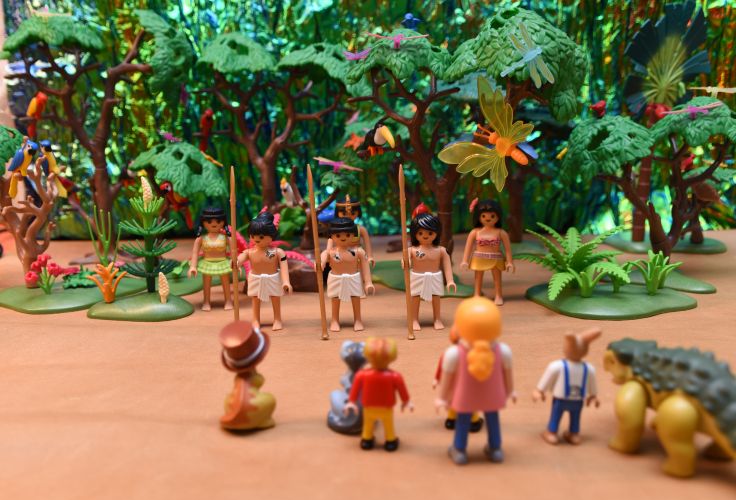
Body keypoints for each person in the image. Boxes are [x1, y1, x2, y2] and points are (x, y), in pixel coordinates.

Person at [435, 297, 516, 465]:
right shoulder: (504, 351)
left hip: (465, 396)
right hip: (492, 395)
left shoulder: (454, 354)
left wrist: (442, 398)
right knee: (492, 419)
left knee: (463, 420)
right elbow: (508, 374)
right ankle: (495, 448)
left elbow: (447, 378)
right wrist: (510, 392)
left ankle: (459, 450)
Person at [533, 328, 601, 445]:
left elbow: (592, 382)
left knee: (575, 417)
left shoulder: (588, 369)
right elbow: (548, 377)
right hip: (562, 399)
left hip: (577, 400)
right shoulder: (558, 366)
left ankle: (572, 433)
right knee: (556, 416)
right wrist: (539, 390)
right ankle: (552, 432)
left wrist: (593, 395)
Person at [344, 337, 412, 451]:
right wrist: (406, 401)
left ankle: (366, 440)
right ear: (392, 357)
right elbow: (402, 391)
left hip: (369, 407)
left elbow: (354, 390)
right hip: (386, 408)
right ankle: (390, 441)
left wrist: (351, 401)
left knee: (368, 424)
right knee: (388, 424)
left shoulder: (362, 375)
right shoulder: (395, 376)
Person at [237, 211, 292, 330]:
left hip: (273, 278)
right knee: (255, 299)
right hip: (255, 279)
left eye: (261, 237)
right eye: (253, 236)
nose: (256, 239)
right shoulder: (249, 252)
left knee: (275, 298)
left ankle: (277, 319)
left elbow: (284, 267)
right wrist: (236, 263)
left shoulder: (277, 252)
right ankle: (255, 320)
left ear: (271, 236)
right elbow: (240, 258)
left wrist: (286, 282)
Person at [405, 205, 456, 331]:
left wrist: (450, 280)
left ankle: (437, 319)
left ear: (436, 233)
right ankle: (414, 319)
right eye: (420, 233)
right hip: (417, 277)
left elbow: (447, 266)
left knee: (436, 297)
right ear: (414, 234)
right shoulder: (411, 250)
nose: (425, 236)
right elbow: (405, 260)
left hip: (435, 277)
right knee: (415, 298)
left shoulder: (441, 250)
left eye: (430, 233)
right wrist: (405, 262)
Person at [320, 217, 375, 332]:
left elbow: (365, 266)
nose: (343, 238)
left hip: (353, 278)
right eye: (338, 235)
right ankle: (334, 320)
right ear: (332, 236)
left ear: (353, 235)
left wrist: (368, 282)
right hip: (335, 278)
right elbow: (323, 256)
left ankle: (358, 320)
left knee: (355, 298)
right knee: (335, 299)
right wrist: (322, 262)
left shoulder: (359, 252)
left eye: (347, 235)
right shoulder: (331, 252)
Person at [460, 199, 514, 305]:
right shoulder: (475, 232)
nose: (488, 219)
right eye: (484, 216)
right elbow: (468, 247)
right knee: (478, 277)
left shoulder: (501, 233)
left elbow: (508, 249)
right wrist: (464, 261)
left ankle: (498, 295)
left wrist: (509, 262)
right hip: (479, 258)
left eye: (492, 216)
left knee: (497, 278)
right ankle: (477, 294)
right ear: (478, 217)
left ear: (498, 217)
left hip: (496, 258)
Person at [188, 207, 233, 311]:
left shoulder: (226, 238)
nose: (214, 224)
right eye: (209, 221)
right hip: (207, 263)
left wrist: (235, 261)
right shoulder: (201, 239)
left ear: (223, 222)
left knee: (226, 283)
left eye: (218, 221)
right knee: (206, 284)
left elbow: (233, 252)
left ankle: (228, 301)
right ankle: (206, 301)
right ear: (203, 223)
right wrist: (193, 266)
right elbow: (195, 253)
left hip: (223, 262)